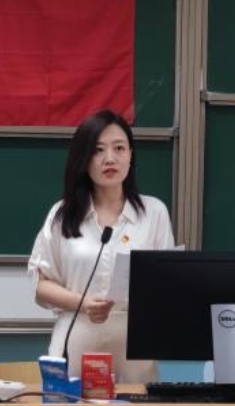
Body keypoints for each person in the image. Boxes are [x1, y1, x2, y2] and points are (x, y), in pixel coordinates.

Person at [28, 109, 174, 383]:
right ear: (83, 159)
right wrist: (84, 303)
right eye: (98, 150)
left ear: (131, 155)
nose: (110, 158)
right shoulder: (62, 214)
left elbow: (166, 284)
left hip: (134, 346)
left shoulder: (154, 212)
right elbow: (41, 284)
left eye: (119, 148)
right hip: (77, 340)